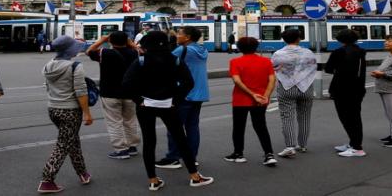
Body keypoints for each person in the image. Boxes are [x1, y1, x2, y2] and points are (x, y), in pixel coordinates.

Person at [123, 31, 214, 191]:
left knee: (149, 142)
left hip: (146, 106)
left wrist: (140, 100)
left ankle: (153, 180)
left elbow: (127, 83)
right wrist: (176, 100)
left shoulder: (141, 61)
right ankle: (194, 176)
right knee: (181, 139)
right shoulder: (174, 60)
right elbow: (188, 82)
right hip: (168, 105)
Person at [38, 35, 93, 193]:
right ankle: (47, 180)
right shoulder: (75, 66)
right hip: (70, 111)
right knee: (63, 145)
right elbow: (81, 92)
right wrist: (87, 113)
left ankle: (83, 173)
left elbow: (48, 87)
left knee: (72, 141)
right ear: (70, 50)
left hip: (53, 109)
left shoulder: (48, 65)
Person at [155, 26, 210, 169]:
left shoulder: (183, 50)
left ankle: (173, 158)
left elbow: (163, 62)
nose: (177, 36)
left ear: (188, 37)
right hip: (199, 94)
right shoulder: (202, 50)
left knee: (174, 127)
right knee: (192, 127)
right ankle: (191, 158)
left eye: (179, 34)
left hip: (184, 94)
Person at [86, 32, 141, 160]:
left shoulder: (104, 53)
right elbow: (140, 51)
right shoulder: (134, 53)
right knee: (130, 120)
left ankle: (121, 149)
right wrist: (131, 43)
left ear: (110, 41)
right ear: (127, 41)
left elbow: (89, 51)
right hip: (130, 93)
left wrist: (101, 40)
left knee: (114, 122)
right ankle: (132, 146)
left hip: (110, 93)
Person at [224, 37, 278, 166]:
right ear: (256, 47)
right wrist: (265, 96)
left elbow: (237, 81)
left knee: (238, 127)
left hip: (240, 99)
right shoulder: (266, 61)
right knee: (261, 126)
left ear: (239, 48)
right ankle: (269, 154)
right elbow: (272, 80)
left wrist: (252, 95)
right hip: (261, 100)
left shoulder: (235, 61)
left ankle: (238, 154)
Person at [271, 29, 317, 158]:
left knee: (287, 117)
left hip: (286, 88)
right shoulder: (308, 53)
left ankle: (290, 146)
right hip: (306, 88)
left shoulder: (278, 54)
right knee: (305, 117)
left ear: (284, 40)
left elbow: (274, 68)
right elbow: (313, 68)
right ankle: (302, 145)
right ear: (299, 39)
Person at [324, 29, 367, 157]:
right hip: (358, 89)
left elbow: (328, 69)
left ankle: (357, 148)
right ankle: (353, 143)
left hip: (341, 89)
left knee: (346, 118)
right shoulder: (361, 51)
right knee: (355, 117)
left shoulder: (339, 52)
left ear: (340, 39)